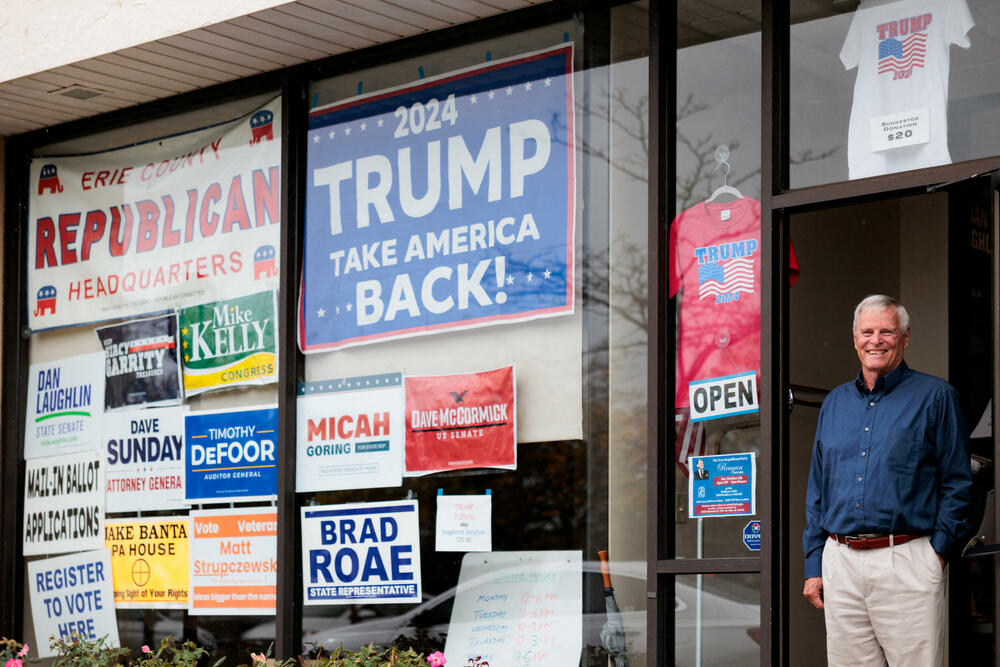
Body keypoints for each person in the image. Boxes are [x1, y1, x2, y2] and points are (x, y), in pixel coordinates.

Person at [802, 294, 972, 665]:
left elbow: (957, 482)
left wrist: (936, 554)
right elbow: (819, 488)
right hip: (840, 562)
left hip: (907, 559)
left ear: (905, 337)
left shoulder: (936, 396)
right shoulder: (834, 403)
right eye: (867, 331)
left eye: (886, 331)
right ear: (854, 338)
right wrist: (815, 563)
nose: (875, 340)